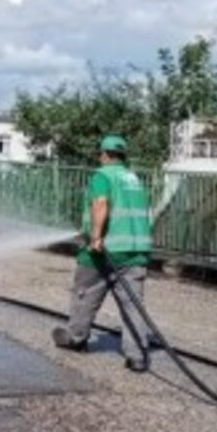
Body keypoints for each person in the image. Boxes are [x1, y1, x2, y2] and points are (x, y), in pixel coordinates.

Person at [52, 135, 153, 372]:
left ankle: (75, 338)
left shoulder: (102, 175)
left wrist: (95, 237)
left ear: (105, 155)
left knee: (84, 293)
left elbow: (100, 204)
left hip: (105, 250)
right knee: (133, 305)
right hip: (136, 250)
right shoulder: (133, 178)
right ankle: (137, 355)